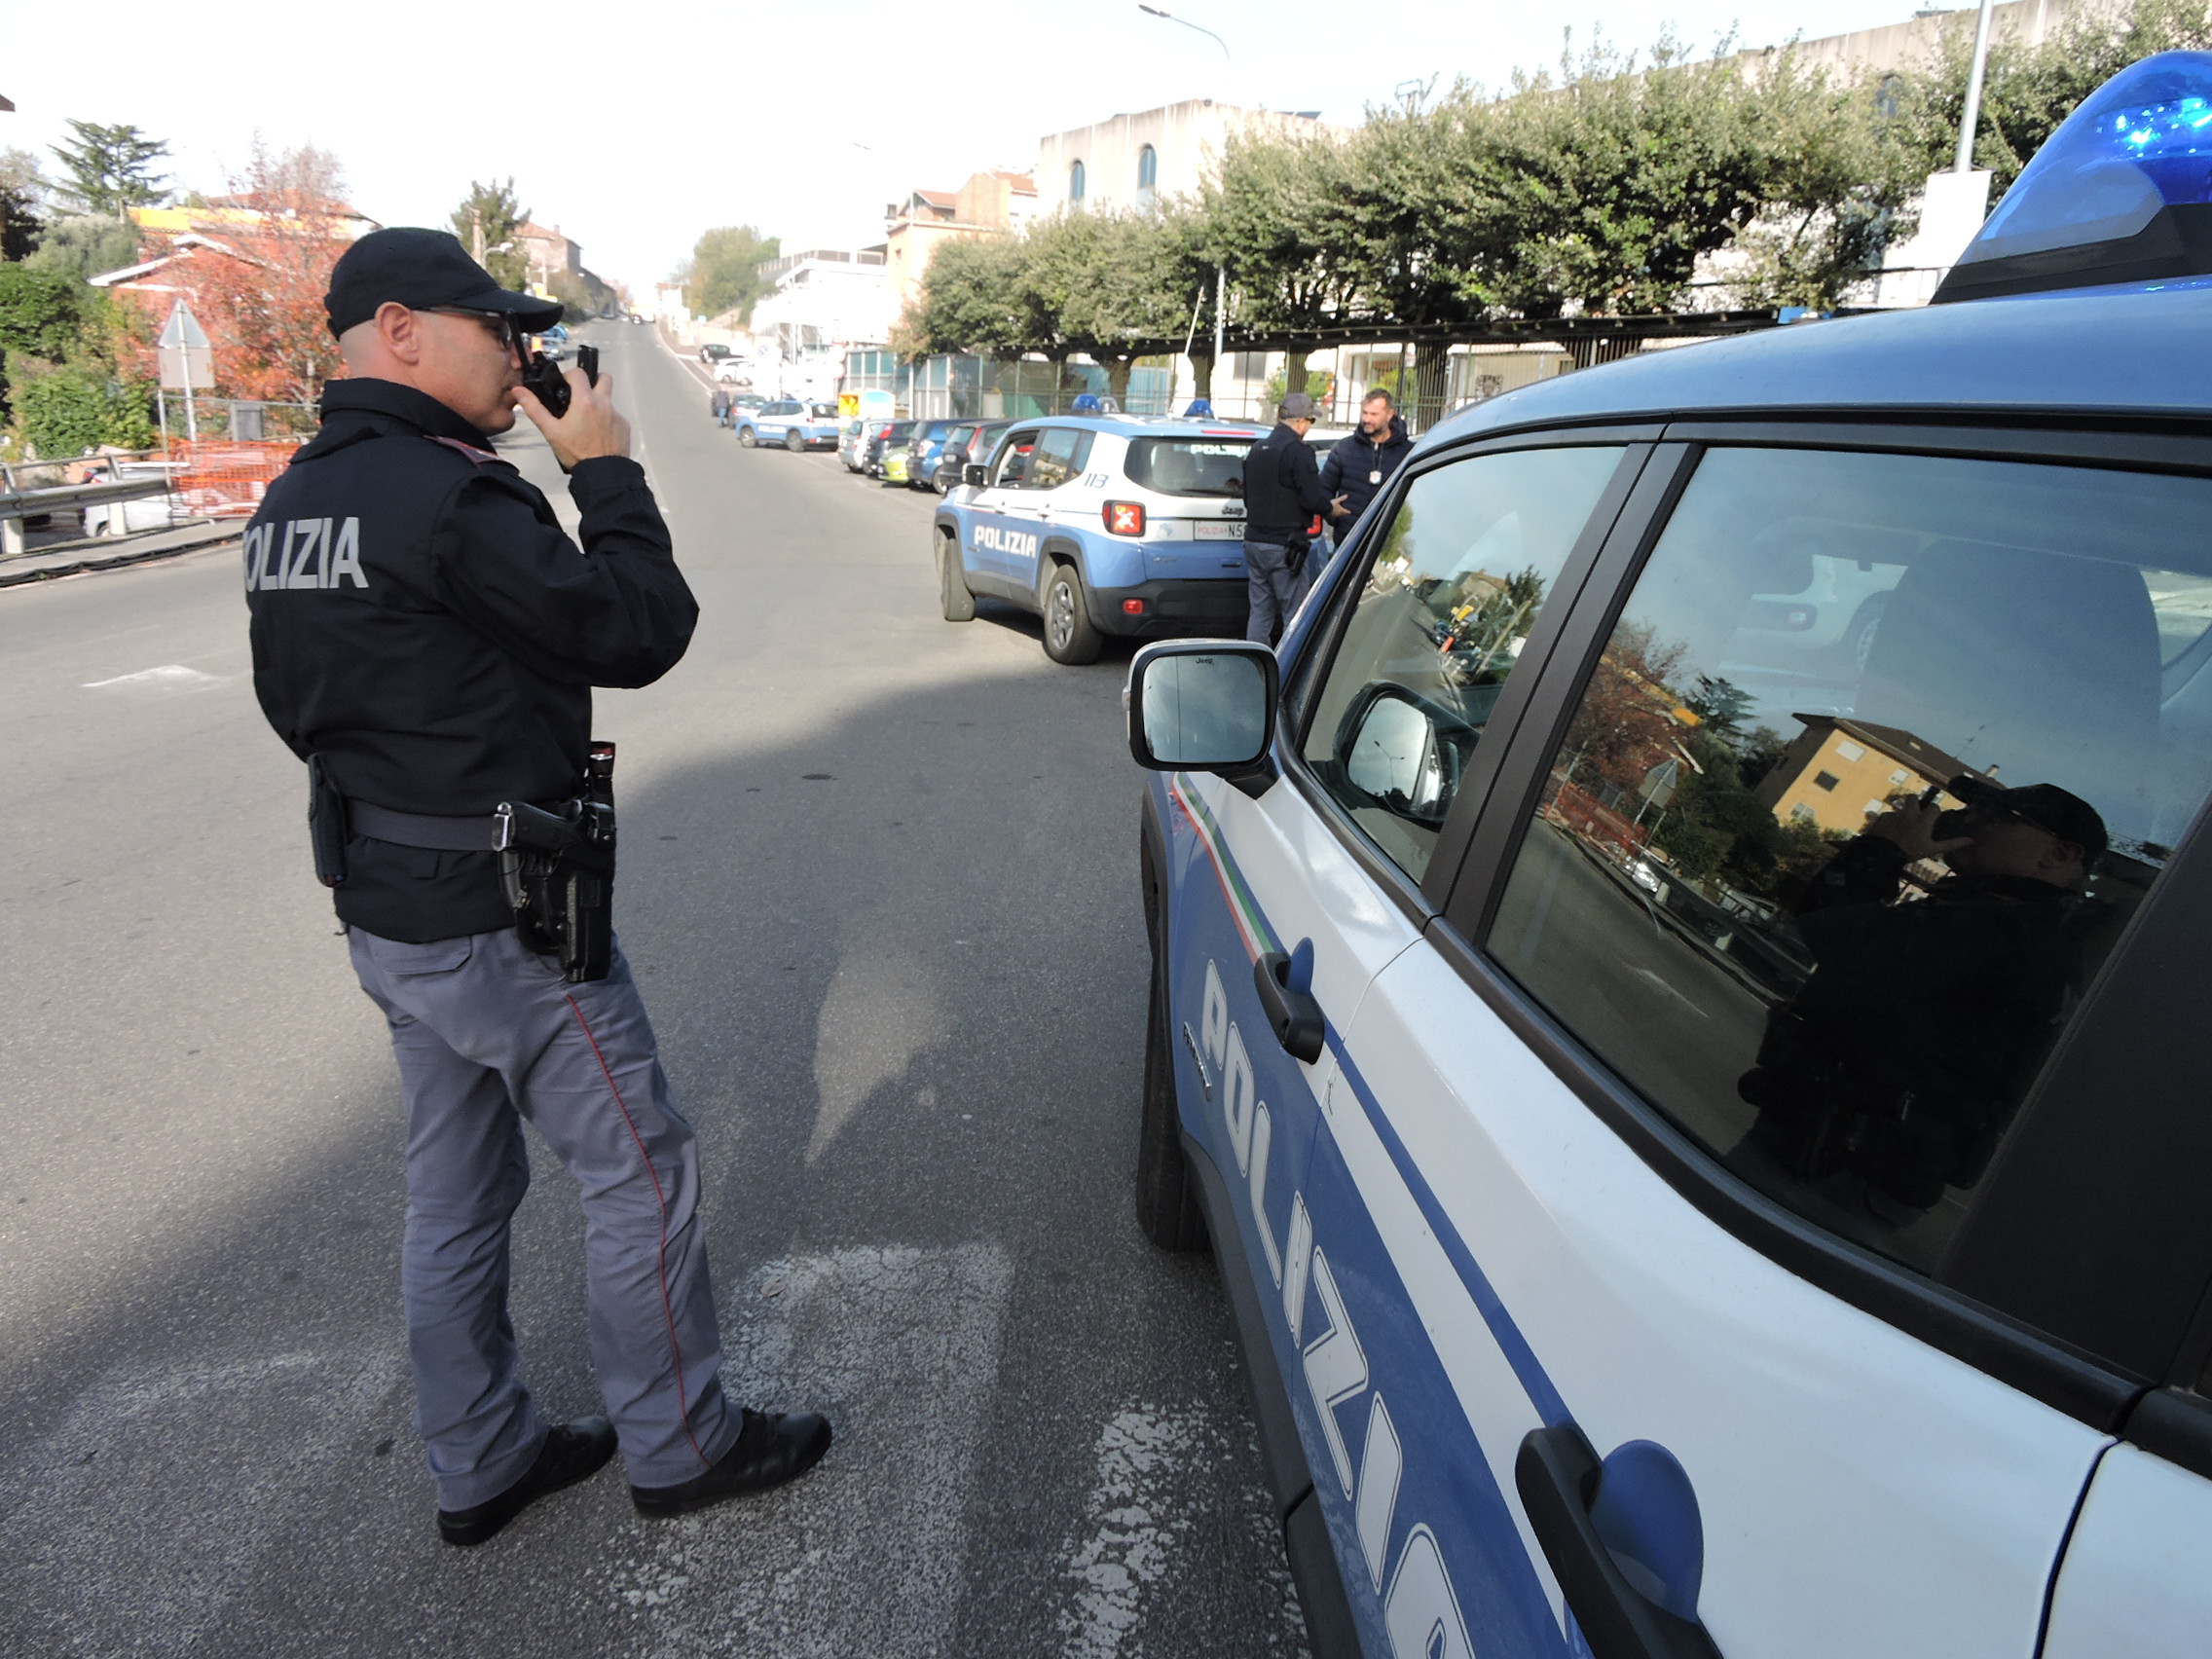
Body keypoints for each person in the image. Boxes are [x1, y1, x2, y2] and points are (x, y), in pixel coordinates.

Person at [244, 227, 830, 1548]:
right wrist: (607, 471)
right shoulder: (453, 497)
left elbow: (299, 710)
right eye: (495, 329)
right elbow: (639, 628)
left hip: (387, 908)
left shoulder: (294, 501)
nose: (520, 357)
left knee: (454, 1191)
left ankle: (482, 1457)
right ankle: (682, 1440)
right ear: (399, 329)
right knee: (642, 1168)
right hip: (507, 924)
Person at [1737, 776, 2107, 1228]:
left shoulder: (2013, 934)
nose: (1971, 820)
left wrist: (1884, 850)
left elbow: (1830, 927)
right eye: (1975, 809)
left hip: (1841, 1169)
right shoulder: (2002, 920)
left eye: (1997, 816)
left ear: (2059, 854)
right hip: (1830, 1151)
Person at [1239, 391, 1337, 645]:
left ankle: (1256, 666)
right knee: (1294, 614)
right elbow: (1312, 498)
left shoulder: (1257, 449)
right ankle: (1288, 673)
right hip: (1285, 546)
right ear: (1301, 421)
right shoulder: (1298, 451)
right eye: (1310, 421)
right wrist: (1330, 508)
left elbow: (1248, 497)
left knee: (1260, 612)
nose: (1309, 427)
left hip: (1254, 542)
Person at [1319, 387, 1413, 533]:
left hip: (1388, 540)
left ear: (1389, 415)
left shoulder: (1407, 452)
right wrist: (1331, 512)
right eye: (1365, 413)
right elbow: (1323, 489)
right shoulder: (1344, 449)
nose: (1367, 419)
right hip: (1349, 539)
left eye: (1374, 414)